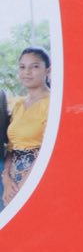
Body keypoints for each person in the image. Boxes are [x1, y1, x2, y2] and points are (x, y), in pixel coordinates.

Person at [2, 46, 52, 208]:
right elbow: (11, 148)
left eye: (34, 66)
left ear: (47, 70)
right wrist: (6, 179)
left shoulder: (53, 104)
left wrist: (26, 184)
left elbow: (49, 149)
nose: (27, 72)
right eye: (22, 67)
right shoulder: (18, 104)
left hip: (39, 179)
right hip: (12, 183)